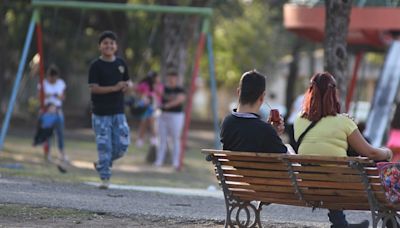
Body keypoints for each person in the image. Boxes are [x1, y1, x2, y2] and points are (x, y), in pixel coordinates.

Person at [294, 72, 393, 228]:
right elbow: (371, 153)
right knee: (380, 163)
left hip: (309, 184)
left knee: (328, 170)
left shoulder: (298, 120)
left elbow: (321, 145)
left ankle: (340, 224)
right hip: (343, 185)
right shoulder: (343, 122)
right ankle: (391, 222)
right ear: (333, 93)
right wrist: (387, 153)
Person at [88, 30, 131, 189]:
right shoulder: (95, 66)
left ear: (116, 46)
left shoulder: (121, 64)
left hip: (118, 112)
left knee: (122, 146)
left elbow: (127, 82)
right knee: (104, 146)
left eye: (111, 43)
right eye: (105, 43)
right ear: (100, 46)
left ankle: (102, 163)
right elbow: (94, 89)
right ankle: (105, 178)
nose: (108, 45)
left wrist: (127, 86)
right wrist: (114, 88)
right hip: (100, 113)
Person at [220, 70, 292, 154]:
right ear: (262, 97)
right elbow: (287, 159)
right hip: (261, 167)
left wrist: (272, 133)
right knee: (289, 147)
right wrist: (272, 134)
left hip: (233, 167)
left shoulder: (227, 123)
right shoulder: (265, 130)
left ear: (239, 92)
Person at [154, 71, 185, 170]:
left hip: (176, 115)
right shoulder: (163, 88)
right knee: (162, 138)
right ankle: (159, 160)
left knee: (175, 138)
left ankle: (175, 161)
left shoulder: (179, 89)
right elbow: (158, 97)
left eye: (173, 77)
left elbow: (180, 99)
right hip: (163, 115)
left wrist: (167, 105)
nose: (171, 79)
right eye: (170, 77)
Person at [39, 64, 67, 163]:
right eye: (51, 78)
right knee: (47, 134)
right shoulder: (43, 83)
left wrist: (51, 95)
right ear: (48, 76)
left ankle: (62, 154)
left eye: (54, 78)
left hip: (58, 111)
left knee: (60, 133)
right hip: (47, 111)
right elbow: (42, 96)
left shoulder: (61, 83)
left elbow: (62, 97)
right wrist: (55, 95)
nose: (53, 80)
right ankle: (47, 154)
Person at [135, 71, 164, 148]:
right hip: (145, 106)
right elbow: (137, 91)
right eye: (157, 77)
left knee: (151, 120)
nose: (158, 78)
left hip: (156, 107)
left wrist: (156, 89)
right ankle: (140, 140)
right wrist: (143, 97)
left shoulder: (159, 86)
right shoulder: (145, 85)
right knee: (143, 121)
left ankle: (154, 138)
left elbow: (161, 94)